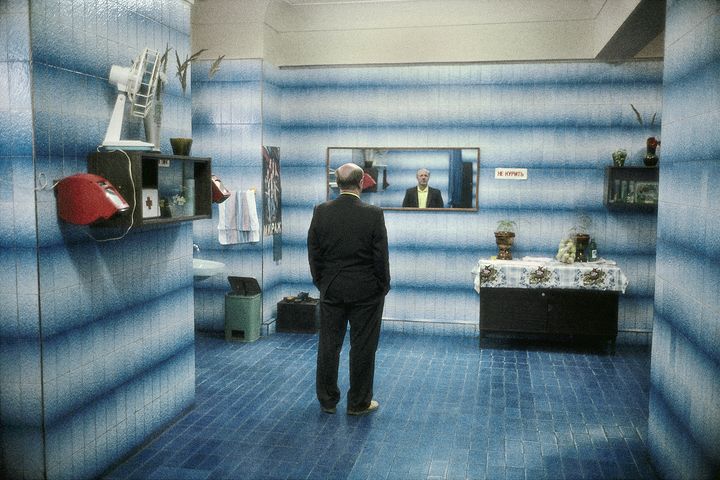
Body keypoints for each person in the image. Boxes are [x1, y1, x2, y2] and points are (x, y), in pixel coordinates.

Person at [307, 163, 391, 416]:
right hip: (366, 291)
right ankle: (358, 403)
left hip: (331, 288)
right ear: (363, 181)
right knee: (363, 347)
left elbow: (314, 253)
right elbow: (380, 257)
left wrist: (322, 282)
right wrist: (382, 286)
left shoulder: (321, 211)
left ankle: (327, 400)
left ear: (336, 182)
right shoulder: (373, 214)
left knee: (328, 345)